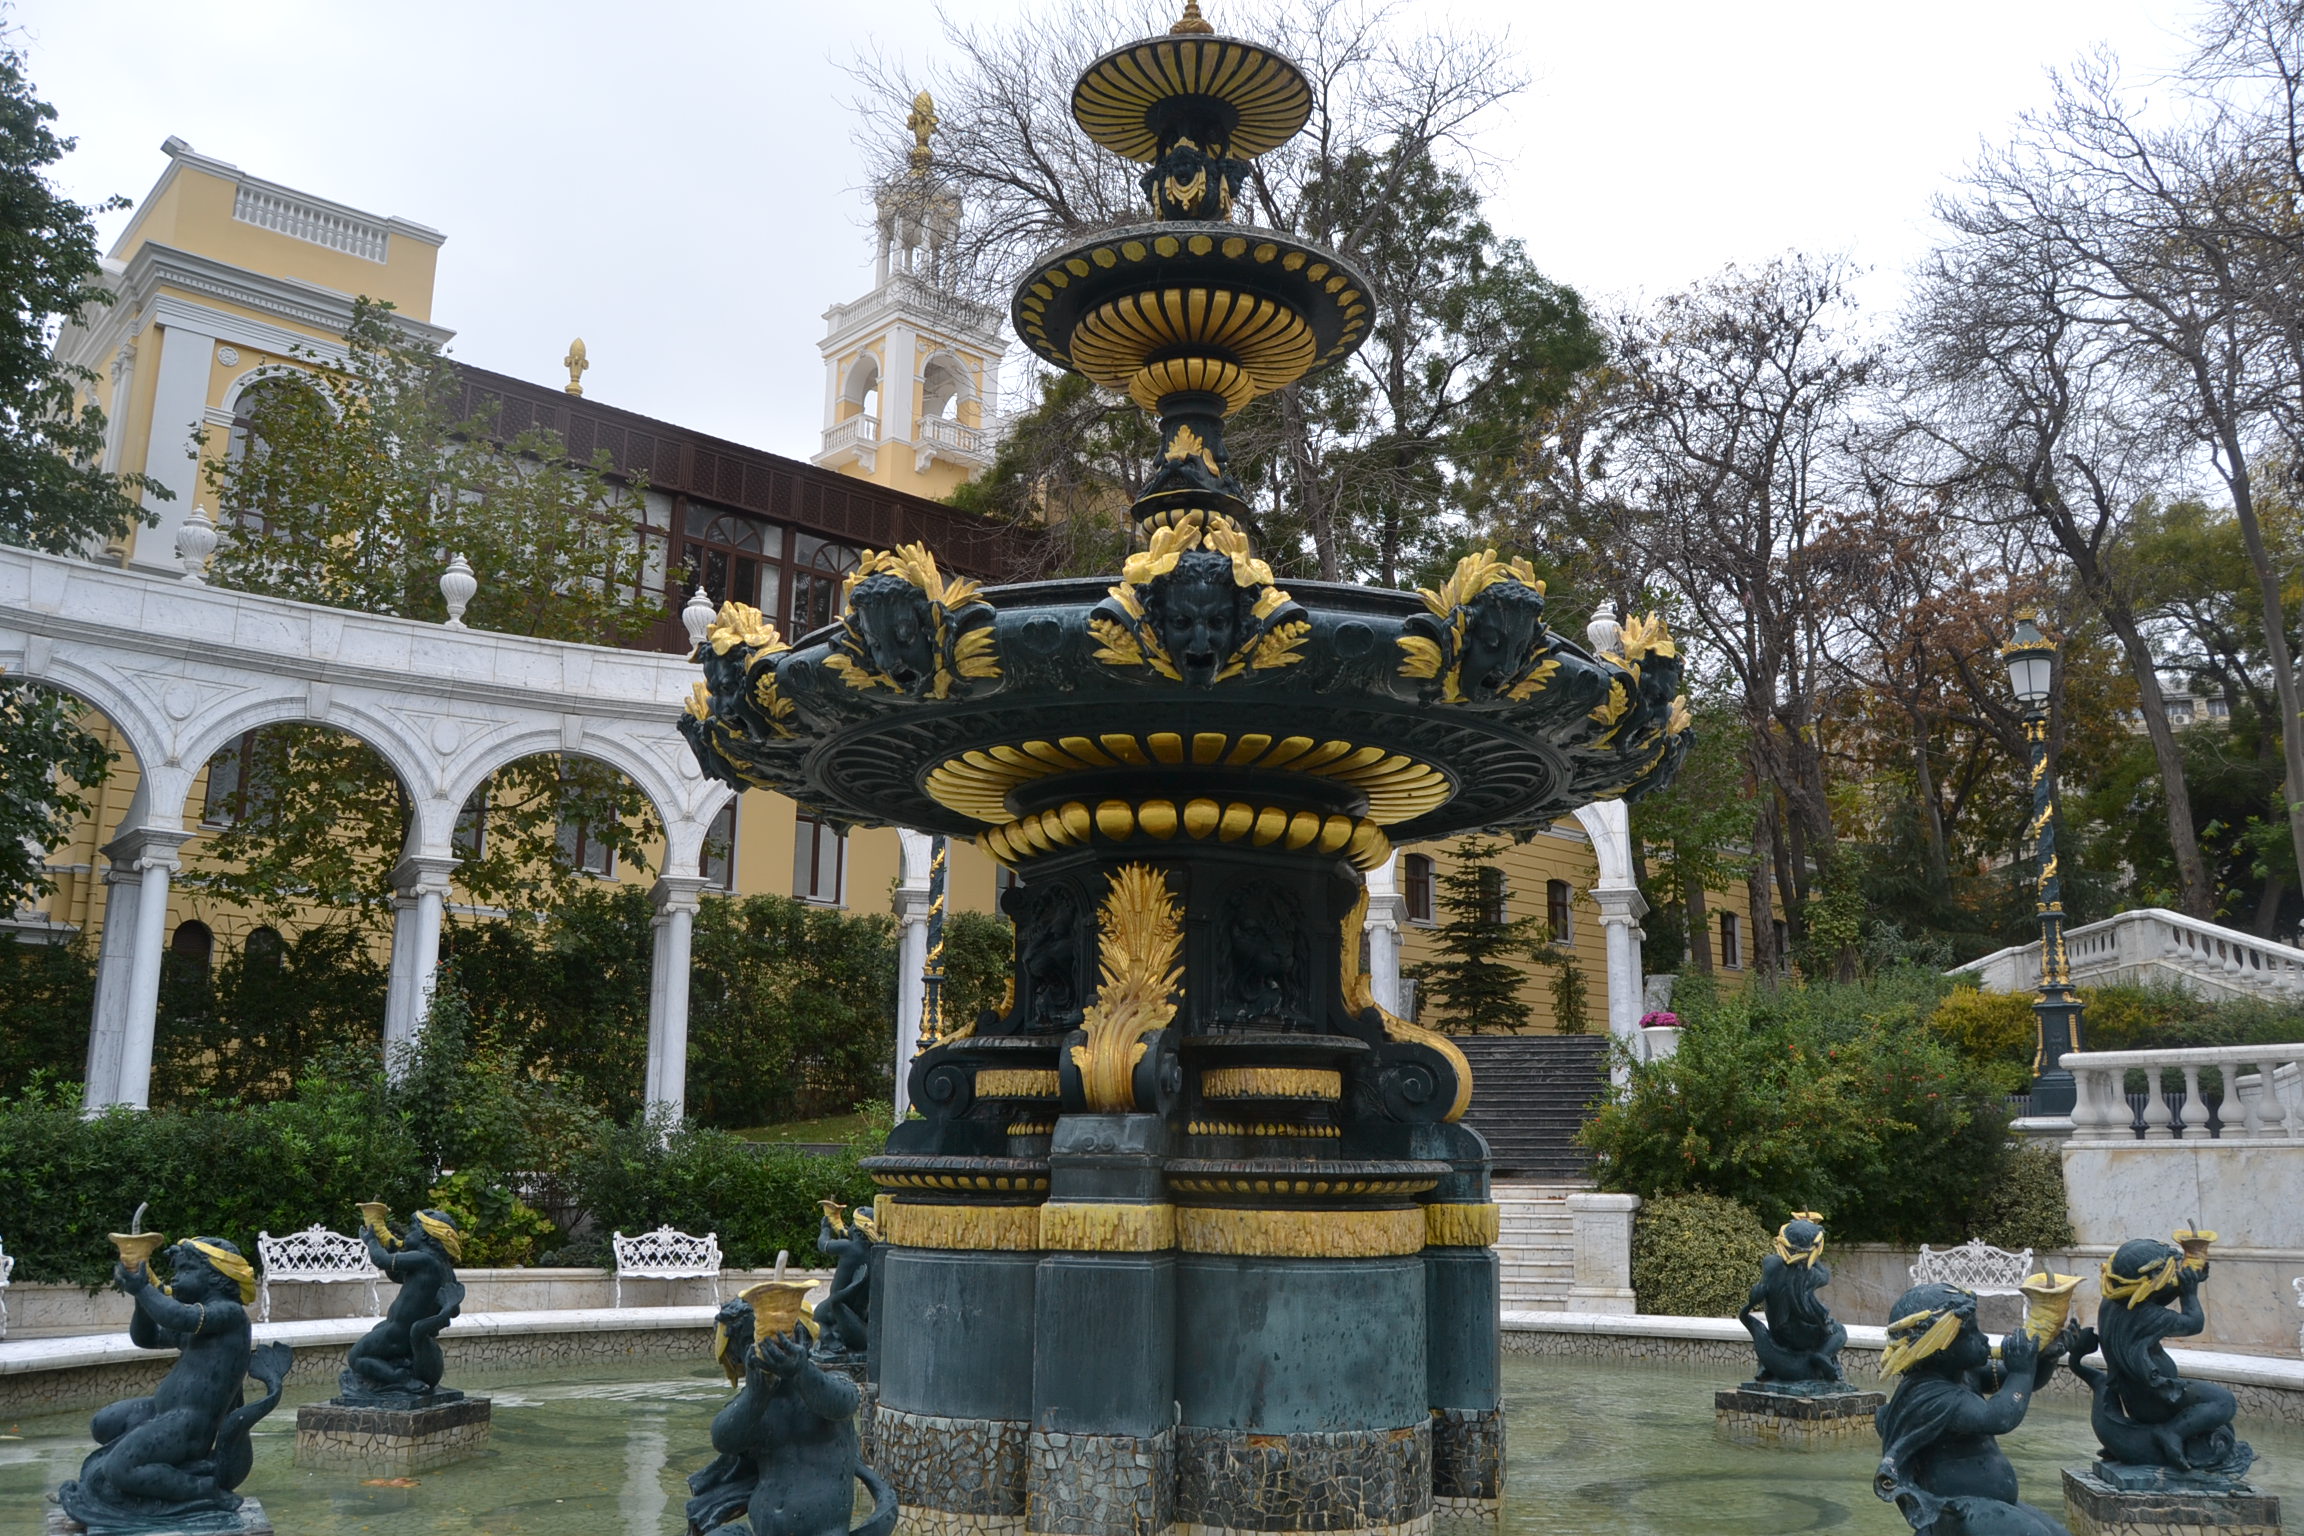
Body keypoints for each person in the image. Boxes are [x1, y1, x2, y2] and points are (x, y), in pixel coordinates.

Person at [56, 1238, 290, 1528]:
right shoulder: (202, 1322)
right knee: (103, 1423)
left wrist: (143, 1289)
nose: (176, 1278)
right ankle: (144, 1482)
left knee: (120, 1468)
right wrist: (142, 1299)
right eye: (176, 1271)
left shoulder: (229, 1314)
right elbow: (147, 1338)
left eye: (186, 1270)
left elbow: (178, 1316)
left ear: (217, 1277)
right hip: (163, 1411)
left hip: (189, 1426)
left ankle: (205, 1489)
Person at [1873, 1283, 2073, 1536]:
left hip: (1989, 1505)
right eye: (1972, 1333)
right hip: (1957, 1513)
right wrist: (2022, 1371)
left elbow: (2024, 1385)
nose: (1984, 1339)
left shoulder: (1964, 1374)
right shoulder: (1932, 1396)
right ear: (1940, 1348)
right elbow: (1999, 1418)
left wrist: (2045, 1358)